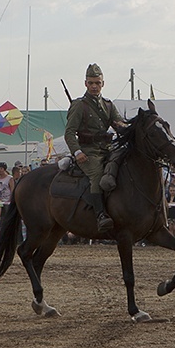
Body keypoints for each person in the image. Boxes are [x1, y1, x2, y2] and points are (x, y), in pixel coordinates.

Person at [64, 63, 125, 232]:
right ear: (85, 84)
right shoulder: (79, 105)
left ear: (102, 84)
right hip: (88, 152)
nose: (94, 86)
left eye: (97, 83)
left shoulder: (108, 105)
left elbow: (119, 123)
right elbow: (69, 133)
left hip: (107, 149)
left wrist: (124, 126)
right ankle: (100, 215)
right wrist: (77, 152)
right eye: (91, 83)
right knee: (97, 175)